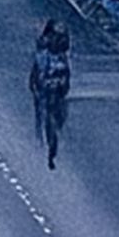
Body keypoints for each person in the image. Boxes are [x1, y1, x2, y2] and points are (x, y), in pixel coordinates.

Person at [30, 18, 72, 168]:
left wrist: (63, 86)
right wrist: (36, 86)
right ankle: (41, 136)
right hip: (45, 88)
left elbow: (67, 74)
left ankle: (55, 130)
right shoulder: (42, 54)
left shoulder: (62, 57)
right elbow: (35, 73)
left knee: (59, 114)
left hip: (57, 88)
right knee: (42, 111)